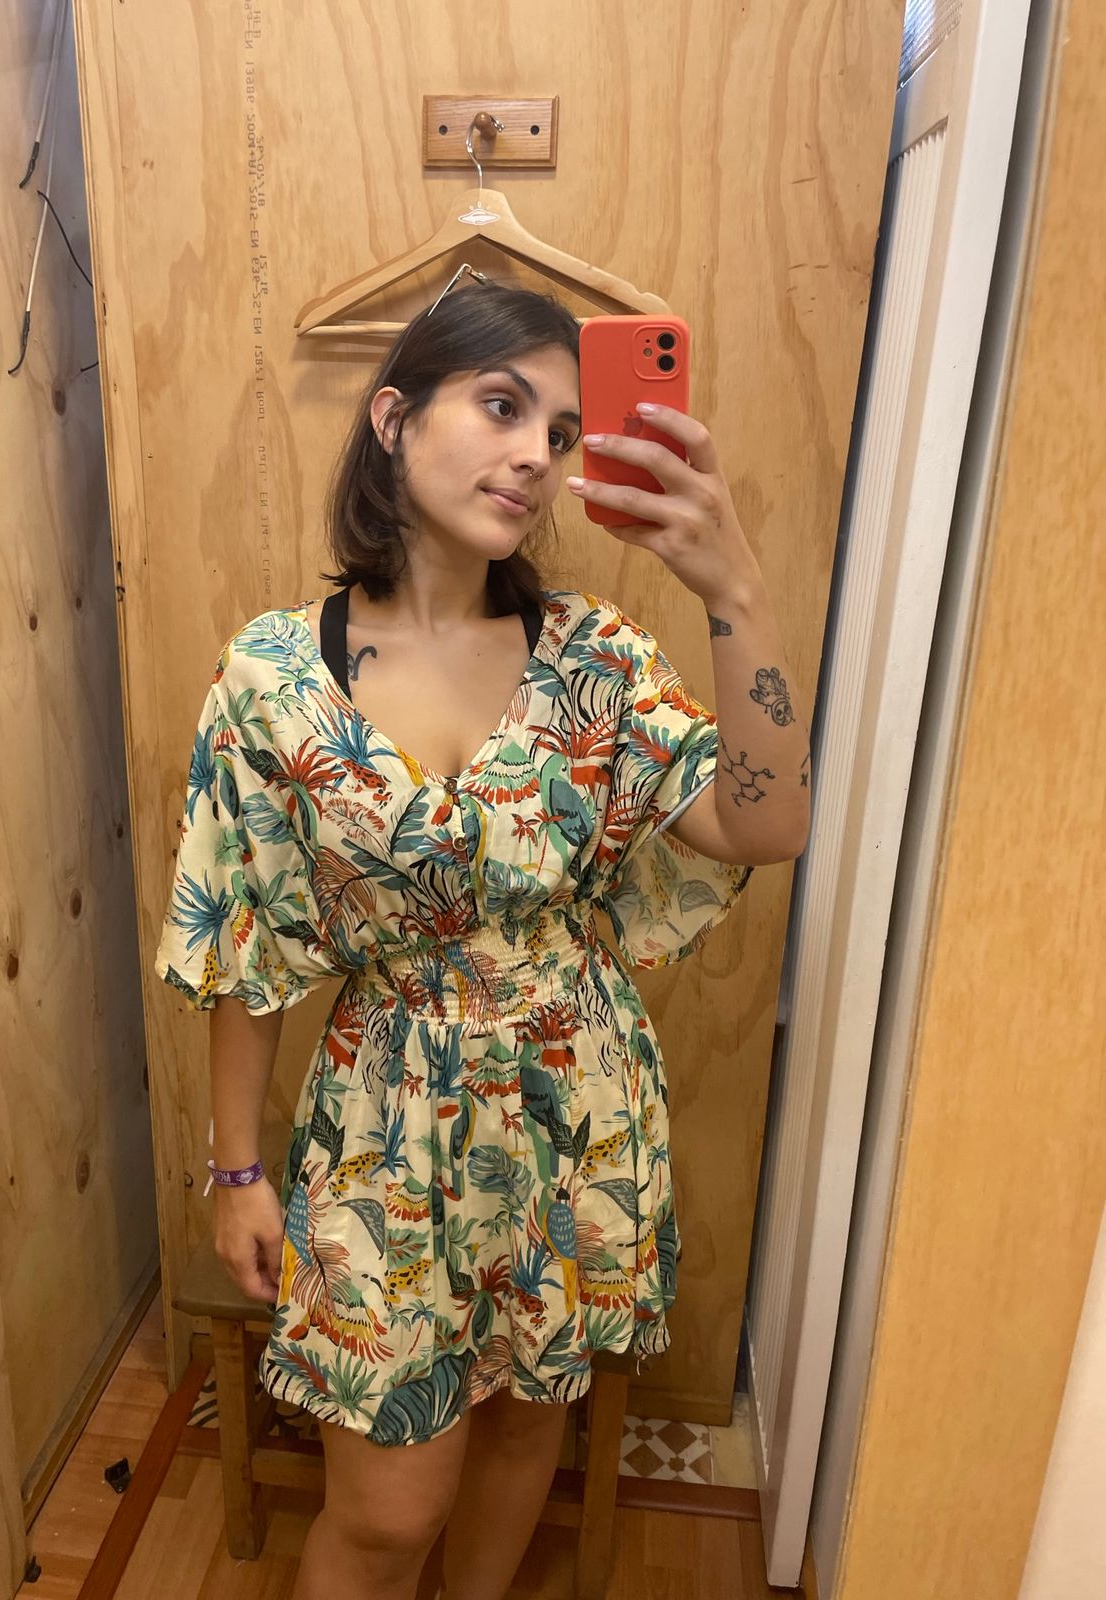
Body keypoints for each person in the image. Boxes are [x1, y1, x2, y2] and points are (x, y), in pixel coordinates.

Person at [154, 279, 810, 1600]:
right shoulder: (274, 676)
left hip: (576, 1104)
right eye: (501, 406)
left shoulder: (595, 658)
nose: (534, 455)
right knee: (387, 1514)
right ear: (394, 417)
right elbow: (243, 939)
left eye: (560, 433)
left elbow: (765, 822)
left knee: (523, 1432)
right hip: (385, 1121)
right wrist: (237, 1173)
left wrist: (734, 585)